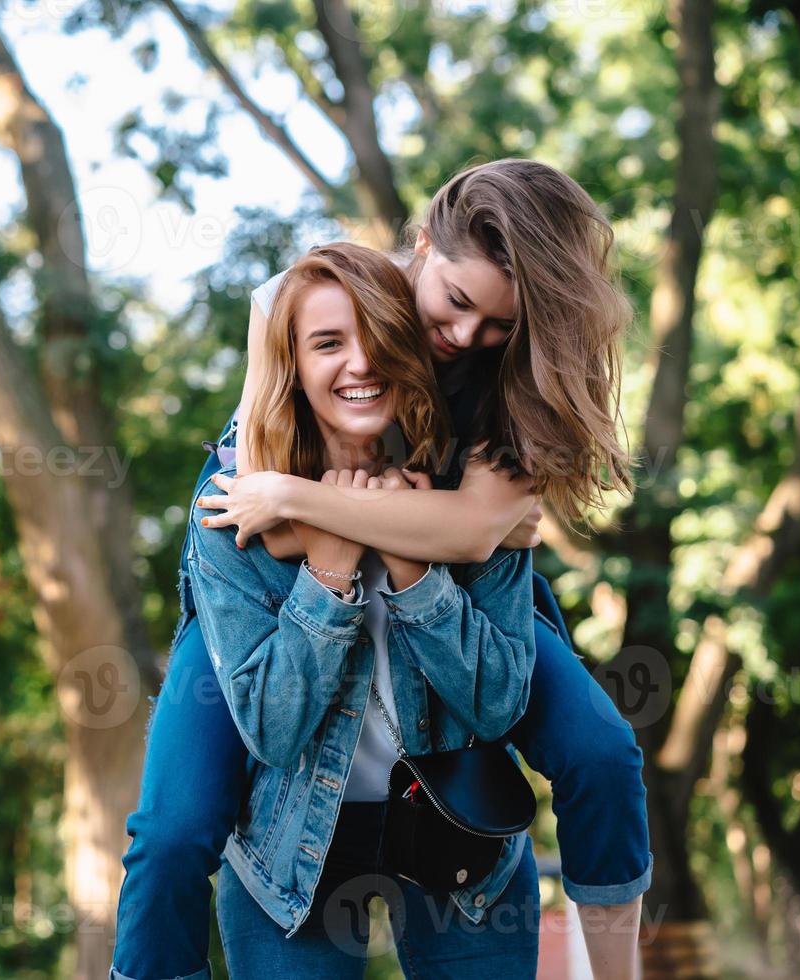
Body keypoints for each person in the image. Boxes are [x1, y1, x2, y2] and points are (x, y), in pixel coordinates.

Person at [113, 160, 650, 980]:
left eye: (499, 322)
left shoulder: (517, 385)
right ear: (421, 245)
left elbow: (472, 537)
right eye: (458, 303)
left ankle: (617, 970)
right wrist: (318, 509)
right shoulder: (300, 298)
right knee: (171, 829)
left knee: (602, 750)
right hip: (263, 570)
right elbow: (260, 509)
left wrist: (426, 527)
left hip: (440, 573)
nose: (466, 336)